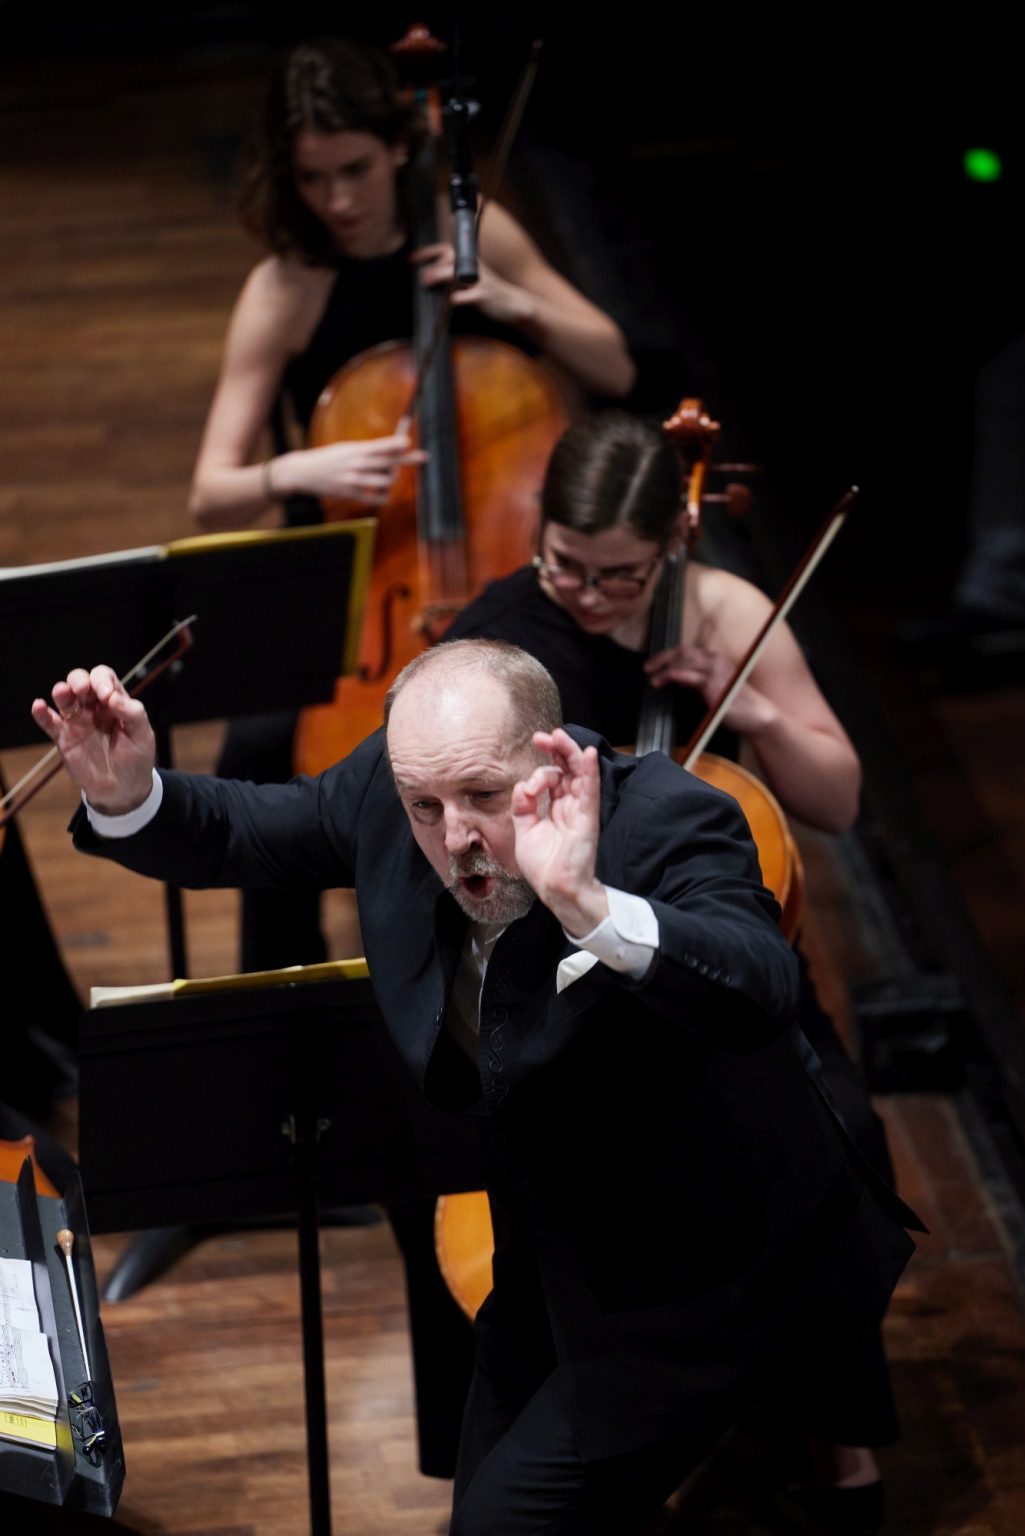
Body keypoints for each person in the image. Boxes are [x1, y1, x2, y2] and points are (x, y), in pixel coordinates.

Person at [34, 640, 918, 1536]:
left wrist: (591, 908)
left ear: (550, 754)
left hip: (708, 1273)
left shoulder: (663, 818)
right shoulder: (398, 793)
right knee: (482, 1501)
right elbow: (254, 827)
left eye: (483, 798)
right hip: (549, 1249)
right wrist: (129, 794)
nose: (453, 837)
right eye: (425, 805)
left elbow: (759, 983)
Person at [445, 411, 899, 1520]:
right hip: (560, 985)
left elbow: (837, 800)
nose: (590, 595)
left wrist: (755, 710)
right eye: (566, 564)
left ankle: (837, 1450)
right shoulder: (501, 639)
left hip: (717, 977)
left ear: (677, 537)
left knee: (832, 1134)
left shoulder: (723, 609)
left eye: (621, 574)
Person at [189, 35, 635, 976]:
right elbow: (210, 491)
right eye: (313, 179)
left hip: (494, 574)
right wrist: (300, 469)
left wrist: (511, 300)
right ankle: (285, 986)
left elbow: (613, 365)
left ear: (397, 146)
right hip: (352, 584)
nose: (338, 199)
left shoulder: (474, 234)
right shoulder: (286, 285)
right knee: (258, 754)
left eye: (354, 169)